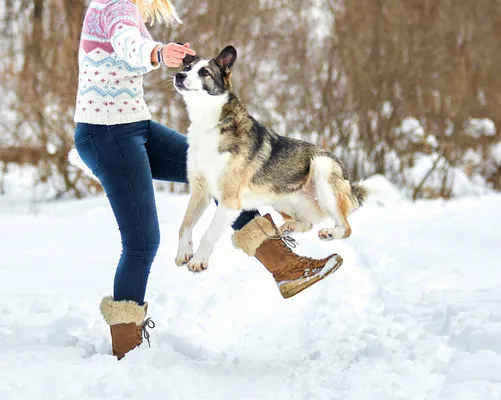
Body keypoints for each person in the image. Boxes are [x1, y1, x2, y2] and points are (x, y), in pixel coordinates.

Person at [73, 0, 343, 360]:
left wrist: (161, 53)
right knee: (142, 240)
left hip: (134, 128)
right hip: (108, 135)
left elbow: (126, 48)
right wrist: (156, 52)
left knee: (221, 174)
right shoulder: (115, 5)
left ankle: (285, 268)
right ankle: (127, 351)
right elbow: (129, 45)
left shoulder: (123, 7)